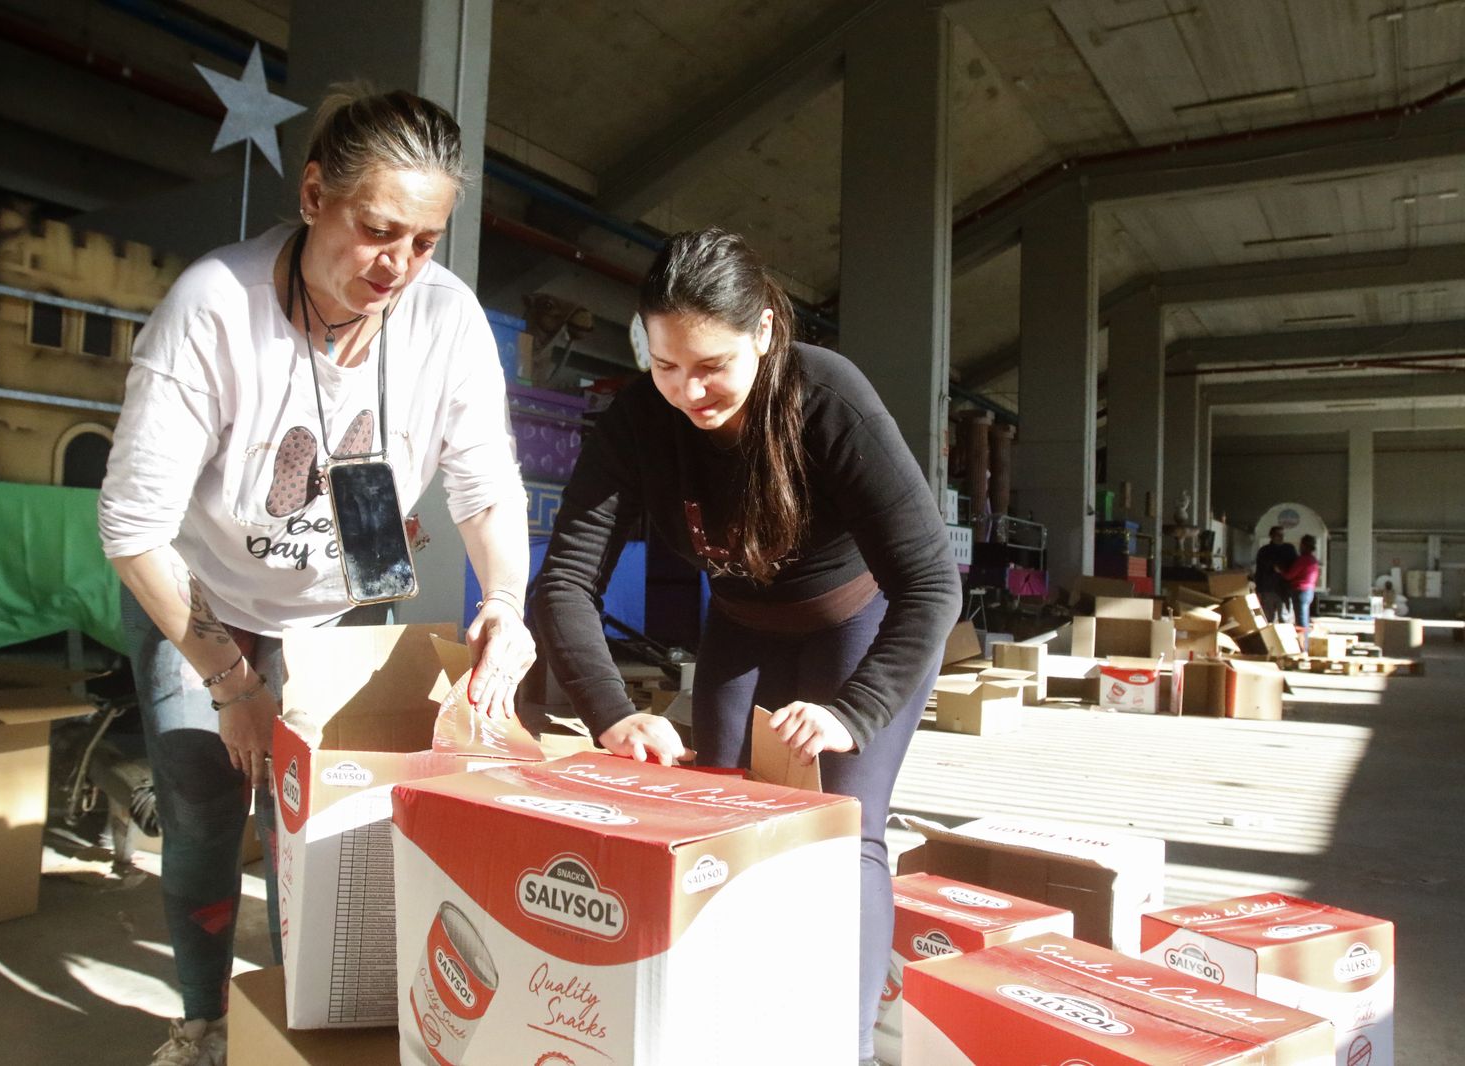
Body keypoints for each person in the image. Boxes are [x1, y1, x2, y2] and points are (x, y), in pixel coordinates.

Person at [98, 87, 534, 1066]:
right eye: (377, 230)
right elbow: (131, 525)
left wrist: (504, 598)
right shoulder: (216, 305)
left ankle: (303, 1018)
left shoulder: (444, 317)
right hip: (201, 589)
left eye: (424, 240)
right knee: (208, 804)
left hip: (329, 604)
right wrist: (232, 683)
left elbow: (485, 485)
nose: (399, 266)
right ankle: (205, 1018)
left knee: (322, 814)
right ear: (310, 194)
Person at [532, 228, 962, 1065]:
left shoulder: (828, 398)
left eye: (712, 365)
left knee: (845, 834)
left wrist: (855, 711)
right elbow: (565, 582)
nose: (689, 391)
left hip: (857, 630)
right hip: (738, 627)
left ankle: (845, 1050)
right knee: (720, 818)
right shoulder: (637, 423)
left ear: (764, 330)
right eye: (666, 366)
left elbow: (933, 583)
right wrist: (613, 715)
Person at [1253, 525, 1297, 623]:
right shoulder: (1264, 551)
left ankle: (1286, 638)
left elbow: (1296, 568)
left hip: (1284, 591)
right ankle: (1270, 637)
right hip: (1268, 590)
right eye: (1278, 535)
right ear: (1271, 536)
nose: (1281, 537)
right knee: (1268, 620)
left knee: (1284, 619)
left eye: (1282, 535)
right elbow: (1259, 572)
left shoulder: (1289, 549)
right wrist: (1259, 590)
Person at [1279, 534, 1321, 632]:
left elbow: (1289, 575)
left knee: (1300, 620)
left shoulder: (1302, 559)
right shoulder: (1312, 560)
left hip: (1300, 591)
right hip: (1309, 591)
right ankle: (1305, 642)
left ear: (1303, 545)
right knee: (1304, 617)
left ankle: (1303, 645)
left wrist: (1280, 571)